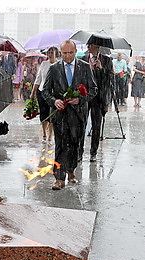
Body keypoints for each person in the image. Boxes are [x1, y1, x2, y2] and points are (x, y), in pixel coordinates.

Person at [41, 40, 97, 190]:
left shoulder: (85, 67)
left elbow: (93, 89)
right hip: (60, 115)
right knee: (60, 146)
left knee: (76, 144)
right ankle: (59, 178)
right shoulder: (54, 69)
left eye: (70, 53)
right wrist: (54, 101)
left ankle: (71, 170)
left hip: (79, 115)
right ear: (60, 53)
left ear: (75, 51)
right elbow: (45, 91)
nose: (67, 56)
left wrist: (80, 99)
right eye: (64, 53)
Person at [79, 43, 114, 162]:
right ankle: (80, 151)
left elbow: (110, 78)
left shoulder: (107, 60)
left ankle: (93, 152)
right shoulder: (82, 59)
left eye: (91, 45)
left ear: (98, 47)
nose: (88, 47)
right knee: (81, 124)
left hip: (99, 98)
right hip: (85, 97)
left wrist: (101, 69)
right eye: (88, 45)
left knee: (96, 126)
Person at [30, 47, 60, 146]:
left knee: (52, 114)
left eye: (52, 52)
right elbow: (38, 79)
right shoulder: (44, 64)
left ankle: (50, 136)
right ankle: (44, 133)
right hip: (42, 91)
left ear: (57, 53)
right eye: (49, 52)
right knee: (43, 113)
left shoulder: (59, 65)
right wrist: (33, 92)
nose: (50, 54)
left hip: (53, 93)